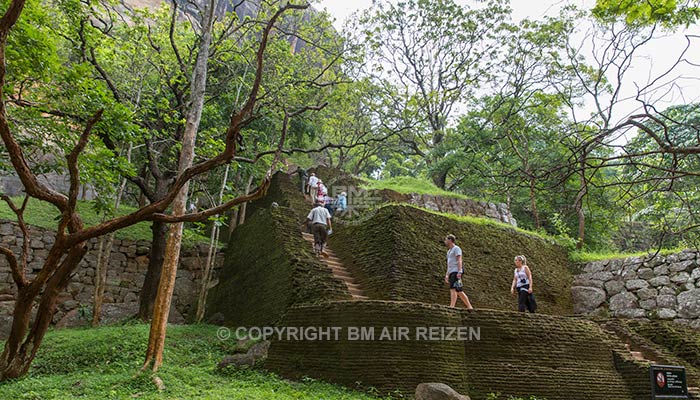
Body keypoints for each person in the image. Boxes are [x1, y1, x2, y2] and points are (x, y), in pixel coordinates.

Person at [444, 234, 474, 311]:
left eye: (446, 240)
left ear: (450, 240)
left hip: (456, 271)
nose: (445, 241)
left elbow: (459, 260)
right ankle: (469, 306)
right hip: (451, 271)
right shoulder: (449, 251)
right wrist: (447, 274)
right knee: (458, 290)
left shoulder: (456, 248)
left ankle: (452, 306)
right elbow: (449, 264)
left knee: (454, 288)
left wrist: (459, 271)